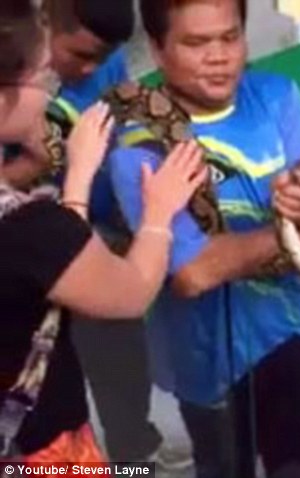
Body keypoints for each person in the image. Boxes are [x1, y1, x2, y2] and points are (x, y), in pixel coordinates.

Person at [108, 0, 300, 476]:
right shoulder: (138, 144)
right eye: (196, 43)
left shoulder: (278, 96)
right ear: (157, 48)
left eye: (230, 37)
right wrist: (292, 238)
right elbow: (193, 272)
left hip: (288, 333)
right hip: (202, 358)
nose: (219, 56)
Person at [0, 0, 206, 465]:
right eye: (41, 76)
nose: (50, 85)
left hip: (84, 250)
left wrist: (71, 177)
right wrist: (158, 216)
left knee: (118, 377)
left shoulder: (106, 69)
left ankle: (135, 461)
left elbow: (54, 243)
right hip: (40, 447)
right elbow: (128, 290)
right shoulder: (27, 226)